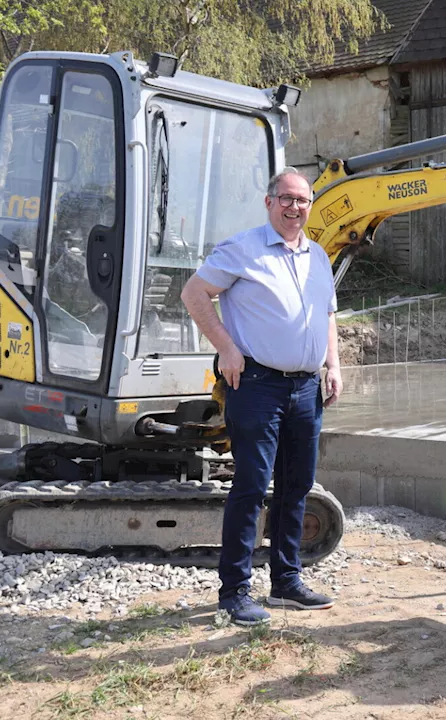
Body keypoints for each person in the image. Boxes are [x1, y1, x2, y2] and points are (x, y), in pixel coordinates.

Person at [181, 167, 343, 627]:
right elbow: (194, 293)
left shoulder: (317, 256)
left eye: (303, 201)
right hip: (257, 386)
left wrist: (334, 364)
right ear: (269, 202)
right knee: (251, 486)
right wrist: (227, 348)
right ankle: (234, 592)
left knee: (296, 487)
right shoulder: (242, 249)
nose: (296, 208)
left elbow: (327, 314)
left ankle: (287, 583)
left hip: (306, 388)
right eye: (287, 199)